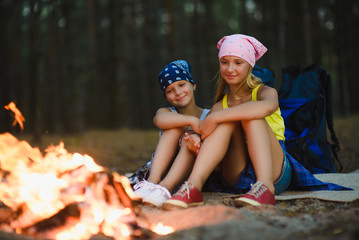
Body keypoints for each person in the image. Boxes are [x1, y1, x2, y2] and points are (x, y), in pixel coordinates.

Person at [162, 34, 351, 210]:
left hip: (273, 168)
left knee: (250, 115)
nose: (230, 69)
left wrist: (215, 117)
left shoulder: (264, 92)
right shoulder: (220, 105)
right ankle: (193, 188)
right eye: (224, 62)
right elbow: (208, 140)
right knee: (227, 121)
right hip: (237, 172)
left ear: (249, 65)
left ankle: (265, 188)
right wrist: (197, 140)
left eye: (238, 62)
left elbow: (266, 108)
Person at [131, 59, 210, 207]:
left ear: (193, 85)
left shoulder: (209, 115)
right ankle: (151, 182)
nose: (178, 92)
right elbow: (159, 119)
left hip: (191, 173)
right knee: (175, 126)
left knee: (190, 139)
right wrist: (192, 121)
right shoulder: (166, 112)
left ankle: (165, 188)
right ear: (165, 96)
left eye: (181, 85)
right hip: (162, 172)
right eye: (170, 90)